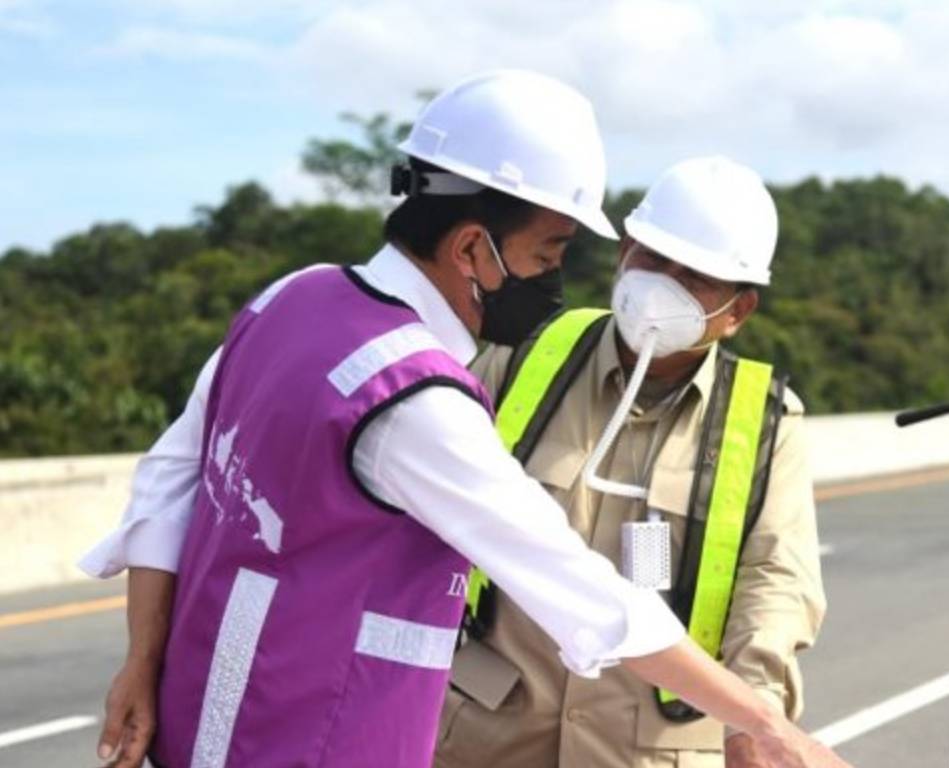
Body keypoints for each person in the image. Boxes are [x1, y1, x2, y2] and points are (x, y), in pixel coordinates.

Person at [80, 71, 850, 768]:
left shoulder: (290, 297)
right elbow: (579, 589)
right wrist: (768, 726)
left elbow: (174, 473)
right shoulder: (417, 398)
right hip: (332, 737)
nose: (556, 279)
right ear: (475, 248)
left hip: (215, 721)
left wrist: (143, 658)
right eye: (549, 254)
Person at [433, 156, 825, 768]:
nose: (661, 286)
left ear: (738, 311)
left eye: (694, 278)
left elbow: (775, 581)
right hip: (488, 731)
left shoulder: (766, 420)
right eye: (651, 259)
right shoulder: (523, 356)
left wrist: (755, 714)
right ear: (622, 252)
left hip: (651, 747)